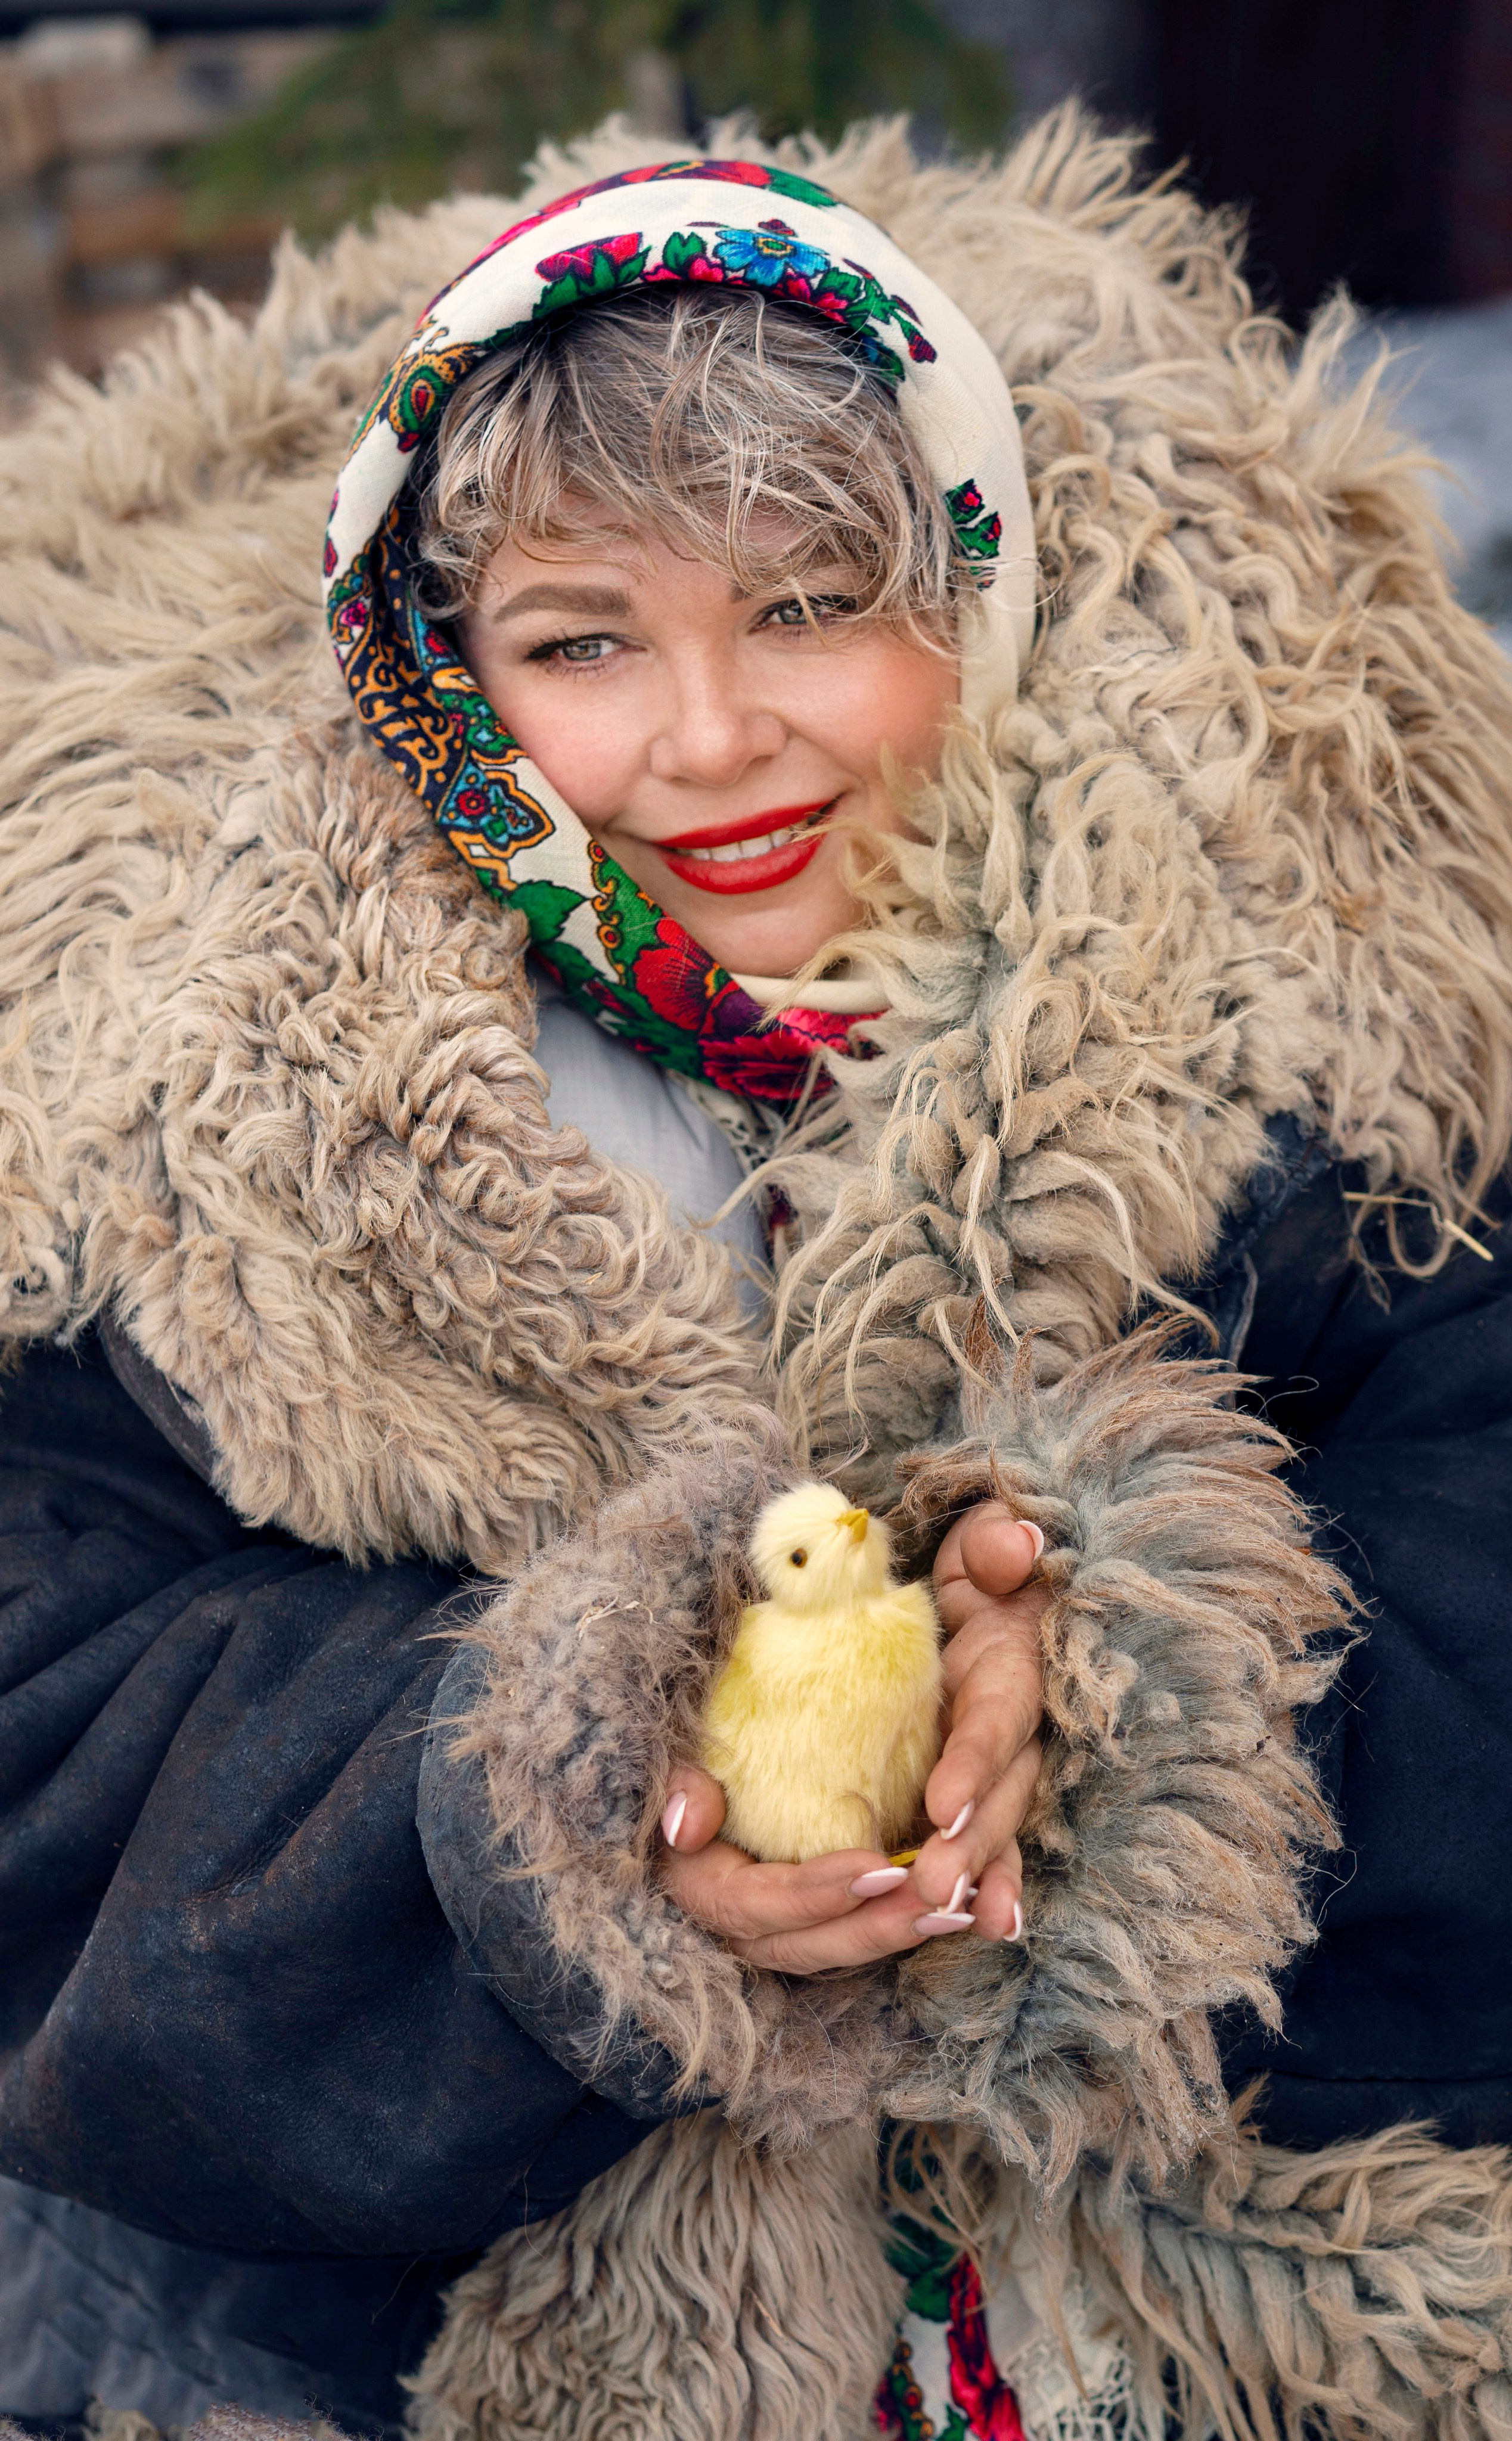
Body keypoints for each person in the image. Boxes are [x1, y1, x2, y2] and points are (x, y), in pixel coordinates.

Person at [1, 113, 1510, 2441]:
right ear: (438, 666)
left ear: (970, 585)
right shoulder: (197, 1124)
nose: (707, 741)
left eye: (806, 603)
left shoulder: (1303, 1019)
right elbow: (47, 1730)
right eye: (580, 638)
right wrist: (549, 1812)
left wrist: (1129, 1687)